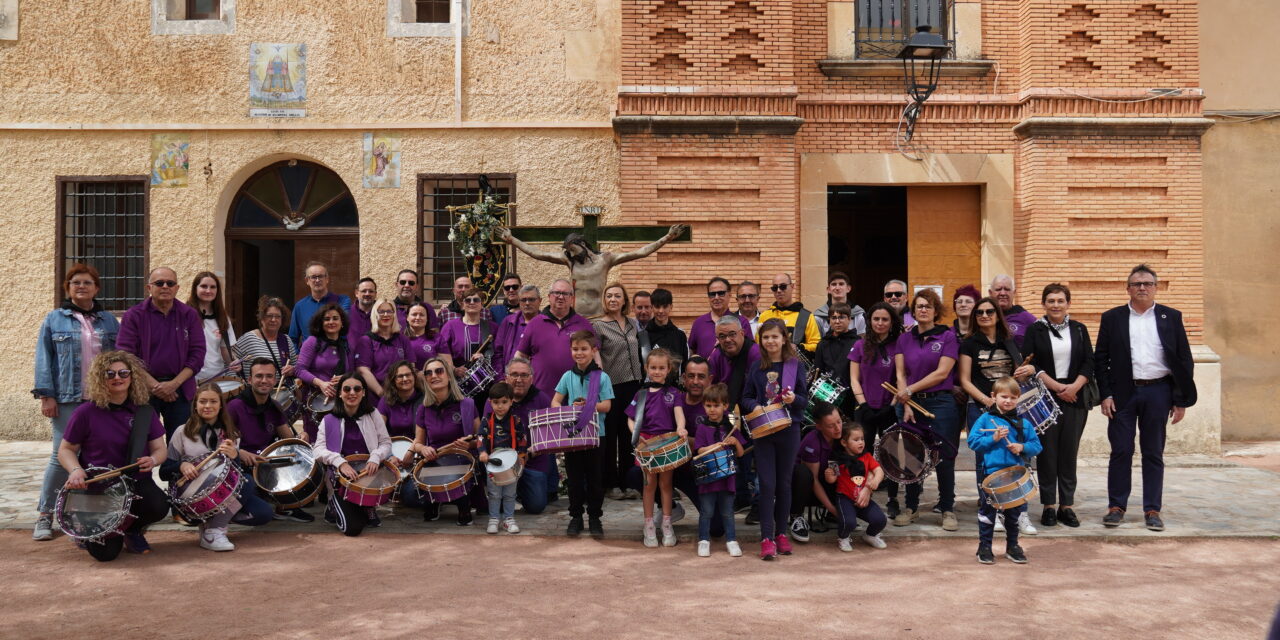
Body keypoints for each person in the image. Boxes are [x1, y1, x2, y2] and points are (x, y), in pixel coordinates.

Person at [1096, 264, 1196, 532]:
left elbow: (1183, 359)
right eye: (1137, 283)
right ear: (1127, 288)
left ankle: (1152, 509)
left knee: (1153, 452)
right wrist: (1105, 394)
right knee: (1121, 450)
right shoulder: (1112, 318)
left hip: (1158, 392)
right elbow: (1100, 359)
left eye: (1148, 283)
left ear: (1156, 288)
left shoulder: (1171, 317)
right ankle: (1116, 507)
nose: (1142, 288)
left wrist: (1180, 399)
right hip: (1122, 394)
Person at [31, 264, 120, 541]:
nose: (81, 286)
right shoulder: (54, 320)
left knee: (93, 457)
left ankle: (79, 514)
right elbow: (44, 359)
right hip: (68, 398)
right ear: (68, 288)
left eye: (87, 282)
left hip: (101, 399)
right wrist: (47, 395)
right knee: (62, 456)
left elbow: (117, 360)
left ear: (96, 288)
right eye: (76, 282)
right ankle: (45, 514)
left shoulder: (108, 321)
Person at [57, 351, 170, 561]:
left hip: (135, 482)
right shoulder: (85, 412)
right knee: (105, 555)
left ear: (132, 376)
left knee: (158, 505)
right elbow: (65, 450)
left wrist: (153, 460)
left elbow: (160, 449)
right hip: (99, 488)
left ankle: (131, 530)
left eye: (123, 373)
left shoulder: (145, 411)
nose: (117, 378)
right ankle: (103, 531)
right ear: (100, 378)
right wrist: (75, 470)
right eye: (110, 374)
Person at [957, 297, 1036, 535]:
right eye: (979, 312)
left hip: (1011, 407)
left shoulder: (1009, 341)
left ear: (997, 314)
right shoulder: (969, 343)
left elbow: (1016, 377)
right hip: (981, 408)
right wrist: (987, 401)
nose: (984, 315)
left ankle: (1020, 512)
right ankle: (993, 509)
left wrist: (1027, 371)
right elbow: (964, 380)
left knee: (1019, 458)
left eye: (989, 311)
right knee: (985, 462)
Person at [163, 384, 274, 552]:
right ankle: (214, 532)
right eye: (203, 401)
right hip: (192, 496)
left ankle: (212, 524)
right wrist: (181, 465)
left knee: (263, 513)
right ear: (195, 405)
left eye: (213, 401)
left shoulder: (231, 433)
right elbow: (163, 471)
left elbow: (235, 476)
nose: (208, 406)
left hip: (222, 494)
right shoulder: (182, 432)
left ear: (221, 405)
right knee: (247, 482)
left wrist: (234, 457)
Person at [1021, 283, 1095, 528]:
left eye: (1060, 301)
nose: (1055, 305)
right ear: (1044, 304)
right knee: (1047, 453)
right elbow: (1030, 363)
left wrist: (1073, 387)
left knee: (1068, 452)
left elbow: (1088, 362)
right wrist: (1056, 387)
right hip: (1045, 398)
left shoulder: (1080, 329)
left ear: (1068, 304)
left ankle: (1067, 506)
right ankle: (1049, 506)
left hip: (1075, 397)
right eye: (1050, 301)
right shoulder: (1035, 330)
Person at [500, 223, 687, 317]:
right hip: (575, 318)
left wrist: (666, 238)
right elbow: (539, 254)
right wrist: (512, 240)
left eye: (573, 249)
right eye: (568, 251)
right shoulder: (569, 260)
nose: (571, 253)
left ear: (582, 244)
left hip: (600, 318)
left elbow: (640, 253)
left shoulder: (605, 260)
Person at [891, 288, 960, 530]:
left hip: (940, 402)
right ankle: (910, 507)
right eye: (919, 306)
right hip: (909, 405)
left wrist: (908, 392)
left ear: (935, 311)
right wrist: (906, 401)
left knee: (944, 457)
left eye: (928, 306)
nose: (923, 310)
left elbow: (942, 373)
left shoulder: (947, 337)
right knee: (910, 457)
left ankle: (948, 508)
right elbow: (900, 373)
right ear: (913, 311)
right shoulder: (904, 338)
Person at [741, 318, 809, 560]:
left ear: (783, 339)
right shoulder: (757, 366)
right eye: (766, 337)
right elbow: (746, 397)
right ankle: (767, 538)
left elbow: (804, 399)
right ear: (761, 340)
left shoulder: (794, 366)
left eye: (774, 336)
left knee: (784, 484)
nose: (770, 341)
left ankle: (782, 534)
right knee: (767, 484)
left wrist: (794, 400)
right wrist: (755, 406)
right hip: (764, 431)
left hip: (789, 429)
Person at [116, 267, 205, 438]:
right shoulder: (134, 315)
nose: (165, 286)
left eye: (170, 283)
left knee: (180, 444)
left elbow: (198, 355)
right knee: (141, 443)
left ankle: (173, 467)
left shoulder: (189, 315)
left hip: (181, 390)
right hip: (143, 390)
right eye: (159, 283)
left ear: (177, 288)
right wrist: (156, 387)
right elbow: (126, 356)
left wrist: (174, 384)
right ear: (149, 288)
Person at [967, 376, 1043, 564]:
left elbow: (1037, 446)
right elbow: (972, 442)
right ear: (994, 396)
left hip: (1015, 474)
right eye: (1004, 397)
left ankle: (1013, 545)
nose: (1008, 401)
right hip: (990, 474)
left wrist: (1021, 447)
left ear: (1018, 399)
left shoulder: (1023, 423)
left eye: (1013, 397)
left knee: (1013, 513)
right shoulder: (985, 419)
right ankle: (984, 546)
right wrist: (992, 439)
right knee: (987, 512)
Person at [227, 358, 313, 522]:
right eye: (259, 376)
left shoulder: (274, 405)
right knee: (261, 513)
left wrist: (301, 439)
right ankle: (226, 513)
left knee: (304, 457)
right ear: (249, 379)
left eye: (269, 376)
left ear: (275, 379)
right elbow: (223, 444)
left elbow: (288, 440)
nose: (264, 380)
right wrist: (239, 452)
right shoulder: (234, 407)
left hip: (267, 463)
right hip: (243, 468)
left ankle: (285, 507)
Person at [313, 372, 393, 537]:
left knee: (361, 520)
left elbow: (386, 443)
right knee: (353, 529)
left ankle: (365, 506)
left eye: (357, 389)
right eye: (347, 389)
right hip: (342, 479)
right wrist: (340, 462)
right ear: (340, 394)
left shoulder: (373, 414)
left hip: (369, 474)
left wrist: (376, 457)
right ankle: (335, 504)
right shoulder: (328, 419)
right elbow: (317, 450)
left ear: (363, 392)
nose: (352, 393)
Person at [554, 331, 615, 537]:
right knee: (575, 479)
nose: (579, 353)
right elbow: (555, 401)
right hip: (573, 435)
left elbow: (606, 406)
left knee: (596, 479)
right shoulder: (567, 376)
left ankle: (595, 518)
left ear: (593, 350)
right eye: (575, 349)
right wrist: (569, 410)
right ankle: (576, 517)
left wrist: (589, 406)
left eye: (584, 349)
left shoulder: (602, 377)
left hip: (598, 435)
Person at [410, 357, 481, 524]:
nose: (434, 375)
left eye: (439, 371)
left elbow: (481, 439)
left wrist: (469, 444)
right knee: (427, 515)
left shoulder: (467, 404)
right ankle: (436, 502)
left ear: (449, 376)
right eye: (429, 373)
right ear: (426, 379)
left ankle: (462, 503)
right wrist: (423, 449)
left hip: (462, 461)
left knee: (464, 518)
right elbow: (418, 442)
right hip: (434, 461)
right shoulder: (423, 409)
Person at [626, 347, 684, 548]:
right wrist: (637, 435)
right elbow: (631, 419)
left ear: (668, 370)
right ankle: (649, 525)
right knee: (648, 485)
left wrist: (681, 428)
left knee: (666, 485)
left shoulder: (674, 393)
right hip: (647, 444)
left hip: (667, 443)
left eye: (661, 368)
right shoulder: (641, 394)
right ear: (646, 368)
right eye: (653, 368)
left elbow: (679, 415)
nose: (657, 372)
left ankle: (667, 524)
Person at [592, 283, 643, 501]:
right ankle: (610, 484)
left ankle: (628, 482)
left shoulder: (634, 324)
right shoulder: (598, 326)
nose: (613, 299)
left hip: (634, 385)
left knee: (629, 435)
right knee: (610, 434)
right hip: (611, 387)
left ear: (624, 301)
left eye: (617, 296)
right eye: (609, 296)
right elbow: (595, 353)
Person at [492, 357, 556, 514]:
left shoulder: (542, 400)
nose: (519, 379)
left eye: (524, 375)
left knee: (536, 507)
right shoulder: (495, 399)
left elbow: (549, 439)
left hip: (532, 461)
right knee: (496, 508)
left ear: (531, 379)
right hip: (503, 462)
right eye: (514, 374)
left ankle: (521, 491)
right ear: (506, 377)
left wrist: (529, 453)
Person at [512, 279, 595, 396]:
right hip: (540, 396)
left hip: (577, 396)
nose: (560, 297)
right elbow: (520, 355)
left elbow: (595, 357)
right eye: (556, 293)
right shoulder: (534, 324)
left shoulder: (584, 324)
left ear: (572, 298)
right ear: (549, 296)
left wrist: (596, 389)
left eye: (565, 293)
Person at [693, 383, 745, 558]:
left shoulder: (731, 428)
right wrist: (712, 447)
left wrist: (735, 442)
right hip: (708, 478)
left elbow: (741, 452)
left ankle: (731, 540)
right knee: (706, 511)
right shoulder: (702, 428)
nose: (712, 410)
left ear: (725, 406)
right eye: (708, 405)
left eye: (716, 405)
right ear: (704, 406)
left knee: (727, 512)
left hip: (727, 477)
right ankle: (703, 540)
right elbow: (699, 451)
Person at [848, 302, 903, 457]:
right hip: (864, 409)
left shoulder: (899, 345)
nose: (880, 323)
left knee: (891, 454)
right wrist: (864, 405)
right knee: (862, 454)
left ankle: (888, 482)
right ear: (869, 321)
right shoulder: (860, 345)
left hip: (889, 409)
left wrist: (892, 406)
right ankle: (863, 482)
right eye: (876, 319)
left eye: (884, 319)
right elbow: (854, 379)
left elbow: (901, 378)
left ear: (892, 322)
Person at [824, 422, 888, 552]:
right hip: (845, 498)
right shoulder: (837, 458)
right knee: (849, 523)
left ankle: (870, 535)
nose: (861, 443)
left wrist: (875, 480)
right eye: (856, 439)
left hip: (863, 498)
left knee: (880, 520)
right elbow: (831, 480)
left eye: (862, 439)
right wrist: (829, 475)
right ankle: (843, 537)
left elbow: (879, 470)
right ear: (844, 442)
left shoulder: (866, 456)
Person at [788, 401, 843, 544]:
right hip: (805, 489)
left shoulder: (843, 436)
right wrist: (832, 509)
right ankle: (796, 516)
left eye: (839, 422)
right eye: (831, 426)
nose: (838, 428)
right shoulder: (812, 441)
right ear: (819, 426)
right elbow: (813, 480)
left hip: (830, 483)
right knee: (804, 473)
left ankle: (840, 510)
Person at [477, 382, 528, 534]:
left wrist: (522, 455)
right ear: (490, 402)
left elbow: (522, 439)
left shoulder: (516, 420)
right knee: (493, 493)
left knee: (510, 493)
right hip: (493, 462)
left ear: (512, 401)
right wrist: (482, 452)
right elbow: (481, 437)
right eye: (496, 402)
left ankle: (508, 519)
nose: (500, 406)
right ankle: (493, 519)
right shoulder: (487, 420)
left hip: (511, 463)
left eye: (504, 402)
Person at [297, 303, 352, 442]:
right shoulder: (312, 341)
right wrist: (321, 384)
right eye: (327, 319)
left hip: (339, 402)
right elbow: (299, 369)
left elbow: (350, 372)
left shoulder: (344, 345)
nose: (331, 322)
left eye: (335, 318)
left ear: (342, 322)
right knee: (318, 443)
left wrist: (345, 378)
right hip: (315, 402)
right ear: (320, 323)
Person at [437, 287, 497, 391]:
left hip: (487, 384)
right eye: (468, 300)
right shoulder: (450, 326)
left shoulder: (492, 327)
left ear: (482, 304)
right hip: (458, 383)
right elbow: (441, 354)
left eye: (476, 300)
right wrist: (454, 370)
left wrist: (485, 360)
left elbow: (498, 355)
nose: (472, 302)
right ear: (462, 304)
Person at [354, 299, 413, 399]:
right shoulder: (366, 341)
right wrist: (382, 393)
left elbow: (411, 367)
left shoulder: (403, 339)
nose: (386, 315)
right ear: (375, 314)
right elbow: (363, 370)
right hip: (376, 397)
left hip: (402, 394)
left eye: (389, 311)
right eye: (381, 311)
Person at [233, 296, 298, 385]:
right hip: (254, 394)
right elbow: (231, 364)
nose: (273, 320)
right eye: (269, 316)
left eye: (278, 316)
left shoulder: (286, 340)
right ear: (262, 318)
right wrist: (238, 384)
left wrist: (292, 370)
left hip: (281, 394)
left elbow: (296, 367)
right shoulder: (249, 339)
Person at [188, 271, 237, 385]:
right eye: (204, 286)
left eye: (213, 287)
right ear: (195, 288)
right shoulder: (185, 315)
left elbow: (226, 351)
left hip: (217, 379)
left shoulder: (223, 318)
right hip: (190, 379)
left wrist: (235, 362)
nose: (208, 291)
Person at [287, 261, 351, 344]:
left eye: (320, 276)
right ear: (307, 280)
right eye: (313, 277)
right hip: (309, 355)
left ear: (327, 279)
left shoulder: (342, 301)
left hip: (335, 353)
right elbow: (293, 338)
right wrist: (297, 355)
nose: (317, 280)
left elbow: (345, 329)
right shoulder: (300, 306)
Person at [688, 277, 751, 358]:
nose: (716, 297)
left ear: (729, 295)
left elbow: (749, 350)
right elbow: (691, 350)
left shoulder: (741, 322)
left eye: (721, 293)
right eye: (712, 294)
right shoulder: (699, 322)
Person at [759, 273, 821, 355]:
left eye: (783, 286)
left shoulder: (806, 316)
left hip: (796, 365)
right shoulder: (764, 316)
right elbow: (758, 344)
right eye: (775, 288)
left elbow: (817, 345)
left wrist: (799, 347)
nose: (778, 290)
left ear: (792, 287)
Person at [494, 285, 540, 379]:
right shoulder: (508, 322)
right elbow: (497, 354)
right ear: (519, 301)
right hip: (510, 381)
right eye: (523, 300)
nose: (527, 303)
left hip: (537, 380)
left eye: (531, 299)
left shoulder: (547, 324)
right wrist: (501, 379)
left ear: (540, 301)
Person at [813, 302, 859, 396]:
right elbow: (818, 372)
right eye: (833, 318)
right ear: (829, 320)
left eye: (841, 317)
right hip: (827, 394)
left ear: (849, 319)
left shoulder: (858, 342)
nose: (837, 321)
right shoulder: (823, 344)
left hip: (851, 395)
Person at [644, 288, 688, 371]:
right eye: (657, 306)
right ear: (652, 307)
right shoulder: (643, 336)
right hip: (649, 383)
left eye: (665, 307)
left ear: (671, 307)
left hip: (674, 384)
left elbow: (684, 365)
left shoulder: (680, 335)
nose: (661, 311)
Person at [376, 361, 423, 440]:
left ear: (414, 376)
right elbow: (379, 431)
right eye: (400, 376)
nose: (405, 379)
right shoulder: (385, 400)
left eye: (408, 375)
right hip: (393, 447)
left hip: (419, 447)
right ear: (393, 380)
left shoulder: (424, 399)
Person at [989, 275, 1038, 349]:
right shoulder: (983, 316)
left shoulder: (1026, 318)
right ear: (990, 293)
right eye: (998, 289)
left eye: (1007, 289)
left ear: (1014, 292)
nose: (1002, 293)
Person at [814, 272, 866, 336]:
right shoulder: (818, 317)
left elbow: (862, 341)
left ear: (848, 288)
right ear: (828, 289)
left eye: (841, 284)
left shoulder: (859, 315)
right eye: (834, 284)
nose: (837, 288)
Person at [403, 301, 440, 370]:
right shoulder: (400, 339)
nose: (418, 318)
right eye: (414, 314)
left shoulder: (437, 338)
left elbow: (447, 363)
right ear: (407, 317)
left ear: (427, 318)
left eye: (422, 315)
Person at [348, 277, 379, 345]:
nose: (367, 294)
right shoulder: (346, 313)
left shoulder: (381, 314)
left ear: (375, 294)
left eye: (371, 291)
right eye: (364, 291)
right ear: (356, 293)